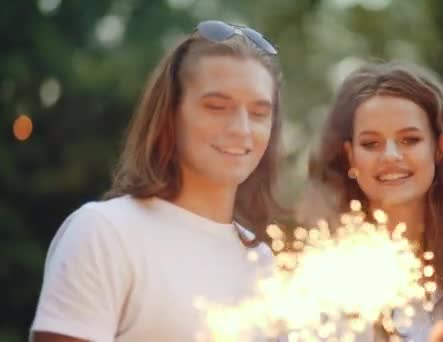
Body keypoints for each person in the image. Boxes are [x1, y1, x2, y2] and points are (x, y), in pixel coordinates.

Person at [30, 20, 284, 342]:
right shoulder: (104, 232)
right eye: (217, 107)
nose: (242, 129)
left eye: (260, 113)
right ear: (170, 114)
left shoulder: (261, 260)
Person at [301, 61, 443, 341]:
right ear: (350, 157)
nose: (391, 155)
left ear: (439, 148)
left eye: (409, 140)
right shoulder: (318, 283)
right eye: (371, 143)